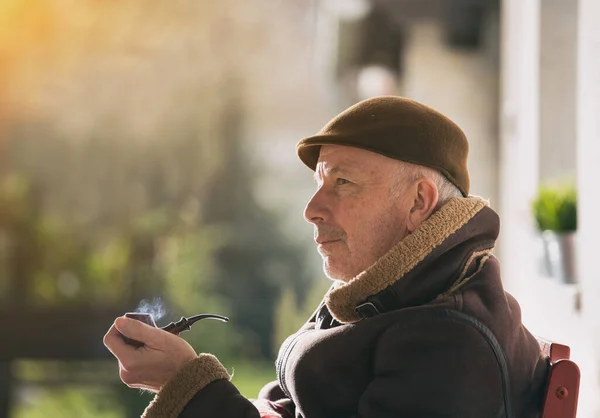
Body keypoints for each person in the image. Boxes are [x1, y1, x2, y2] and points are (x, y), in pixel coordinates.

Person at [104, 96, 548, 418]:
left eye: (343, 183)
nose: (312, 209)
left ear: (418, 203)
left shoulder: (449, 342)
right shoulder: (394, 296)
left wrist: (188, 388)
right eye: (318, 182)